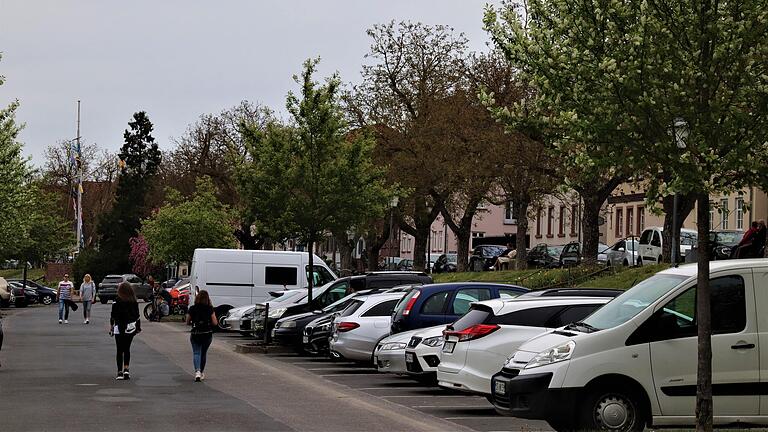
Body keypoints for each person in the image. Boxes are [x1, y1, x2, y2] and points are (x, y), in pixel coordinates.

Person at [110, 282, 141, 380]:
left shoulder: (116, 301)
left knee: (119, 350)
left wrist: (111, 326)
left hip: (119, 327)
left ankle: (119, 372)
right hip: (130, 327)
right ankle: (126, 369)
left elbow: (113, 315)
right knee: (127, 348)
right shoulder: (133, 301)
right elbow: (137, 315)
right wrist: (138, 327)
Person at [186, 290, 218, 382]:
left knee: (196, 352)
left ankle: (197, 372)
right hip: (207, 334)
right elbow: (215, 322)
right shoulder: (210, 309)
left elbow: (187, 321)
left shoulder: (192, 308)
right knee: (203, 353)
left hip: (196, 333)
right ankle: (202, 371)